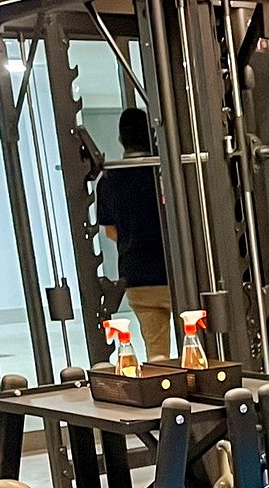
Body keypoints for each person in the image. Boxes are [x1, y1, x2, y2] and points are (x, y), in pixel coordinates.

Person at [95, 107, 172, 358]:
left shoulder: (109, 179)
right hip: (179, 272)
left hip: (138, 275)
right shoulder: (167, 172)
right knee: (202, 343)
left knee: (157, 353)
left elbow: (110, 231)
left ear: (120, 139)